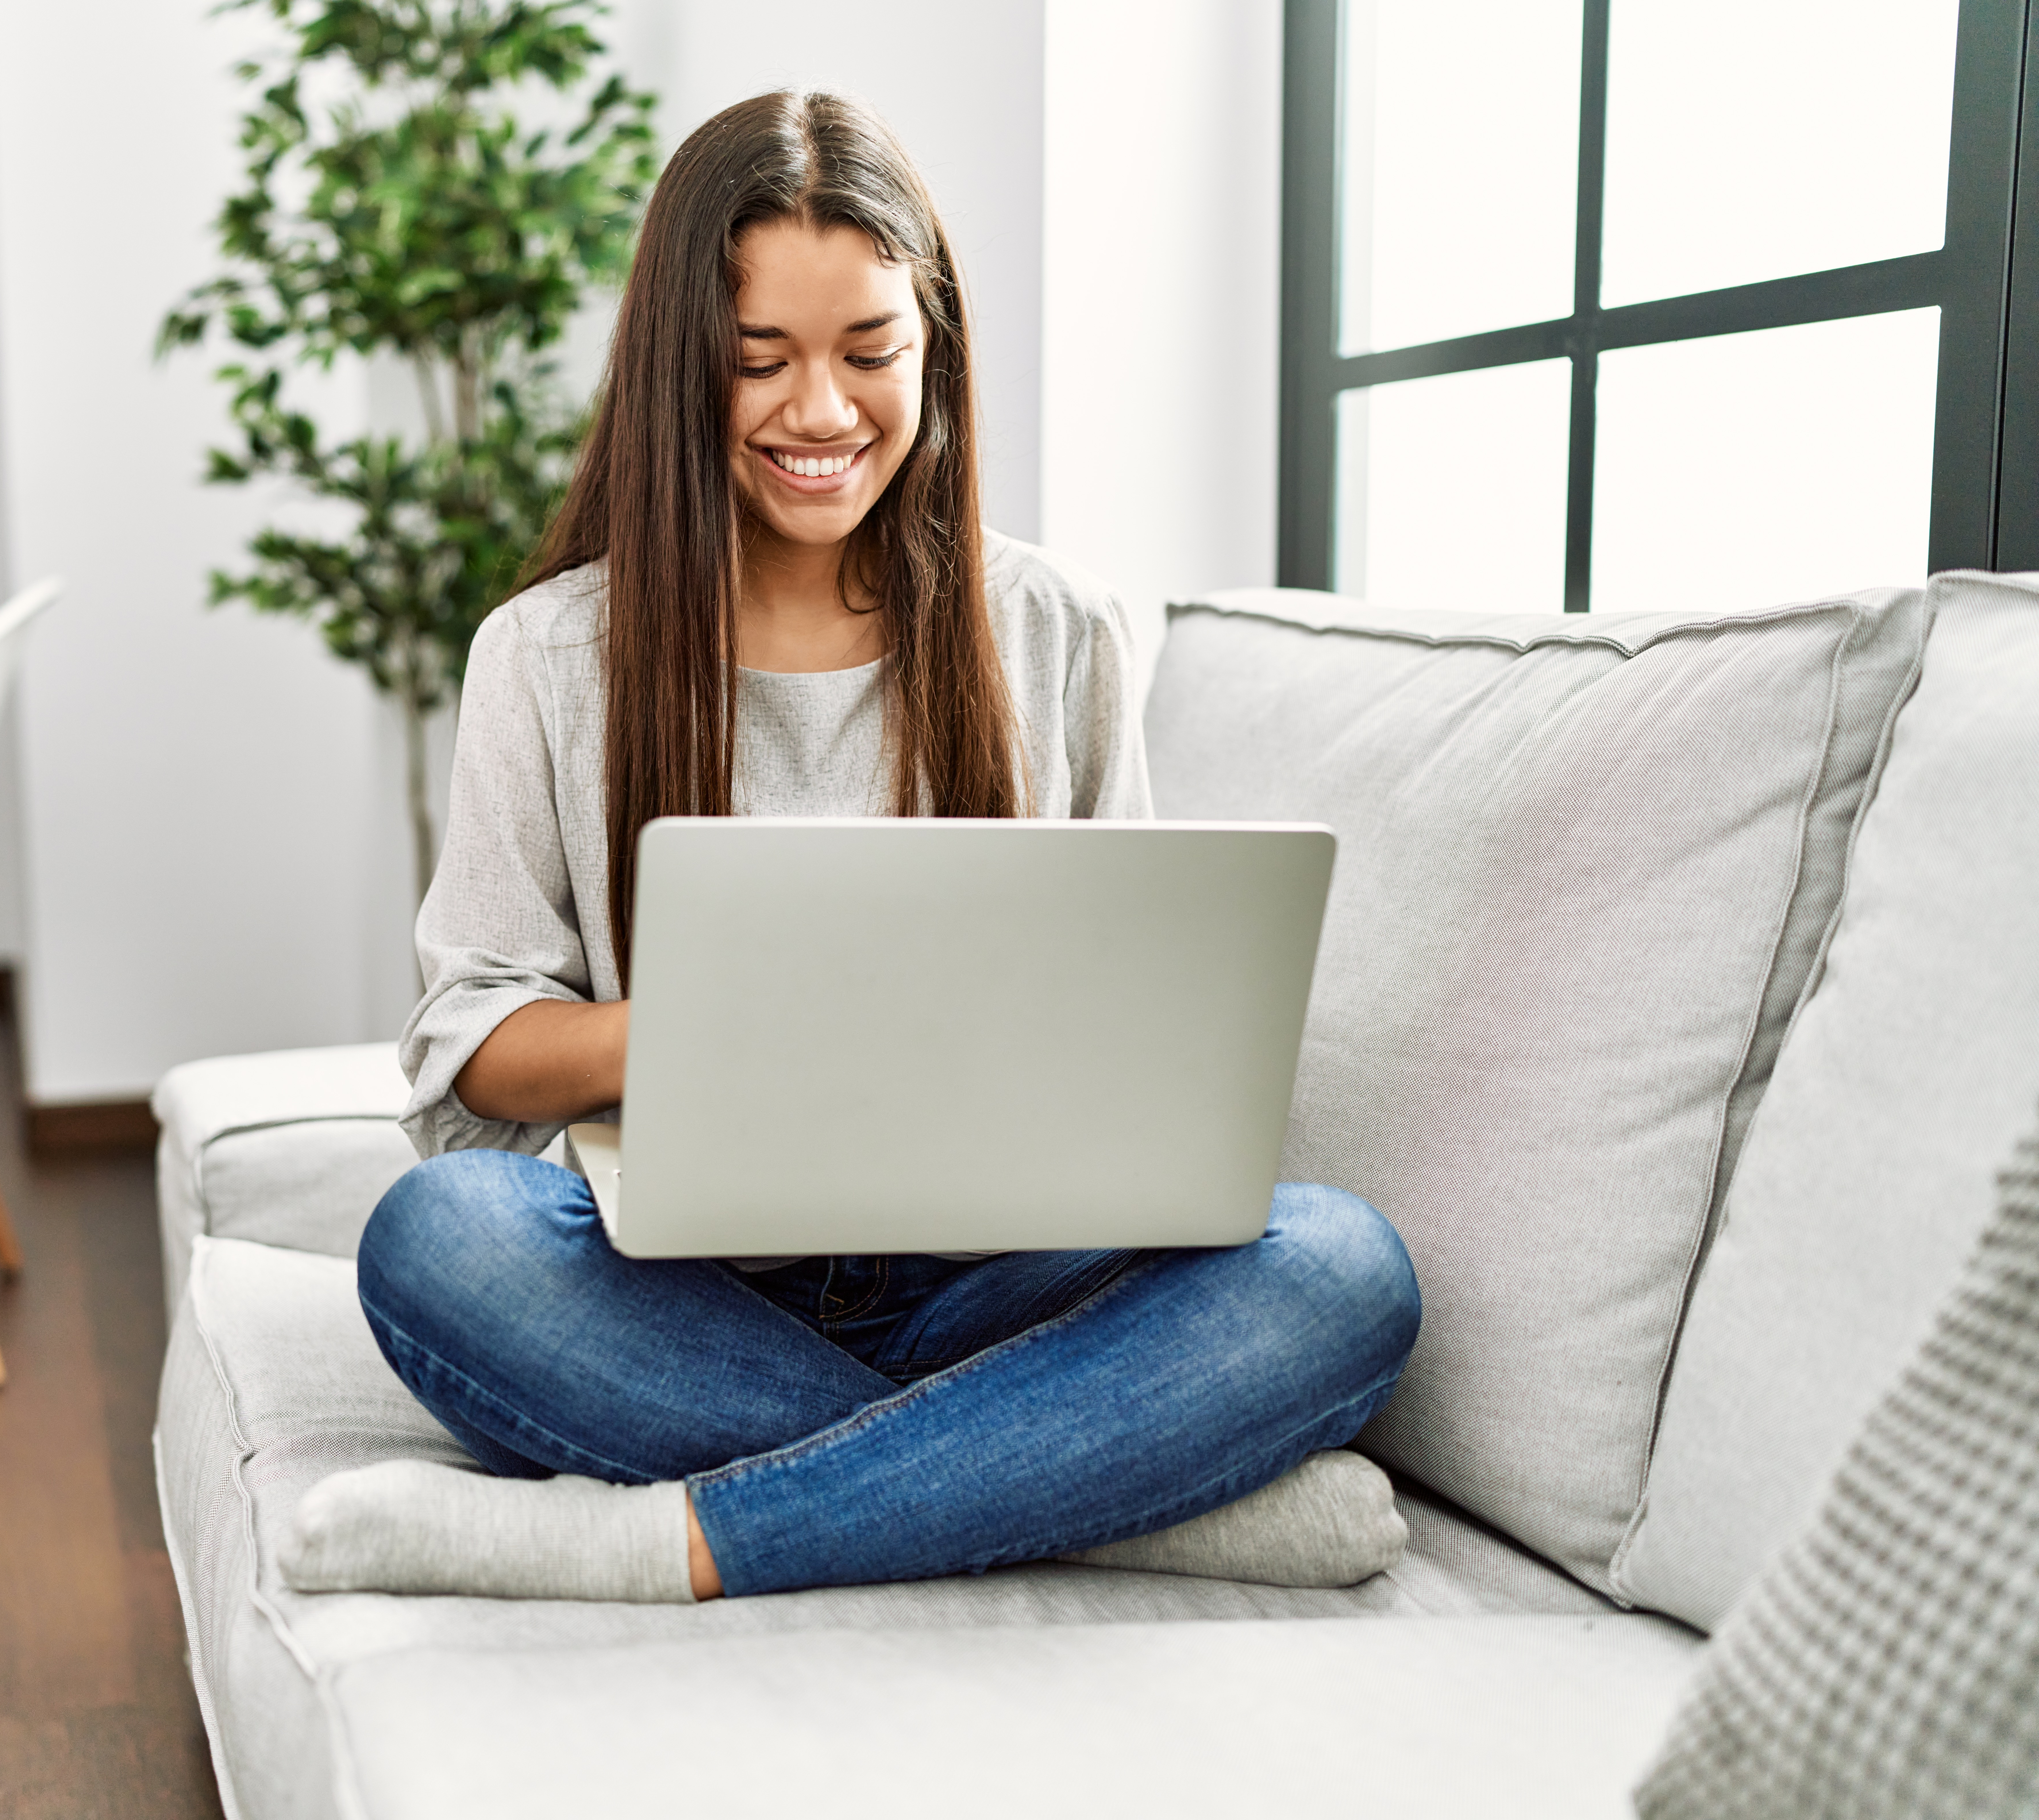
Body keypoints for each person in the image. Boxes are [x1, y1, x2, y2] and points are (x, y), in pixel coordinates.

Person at [284, 90, 1422, 1606]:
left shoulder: (1052, 627)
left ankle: (692, 1538)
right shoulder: (551, 655)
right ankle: (1114, 1494)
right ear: (680, 370)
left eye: (871, 354)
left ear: (931, 351)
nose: (823, 413)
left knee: (1343, 1271)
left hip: (996, 1279)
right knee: (439, 1242)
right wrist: (699, 1031)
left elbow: (1139, 1028)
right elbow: (470, 1043)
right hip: (675, 1282)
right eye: (762, 361)